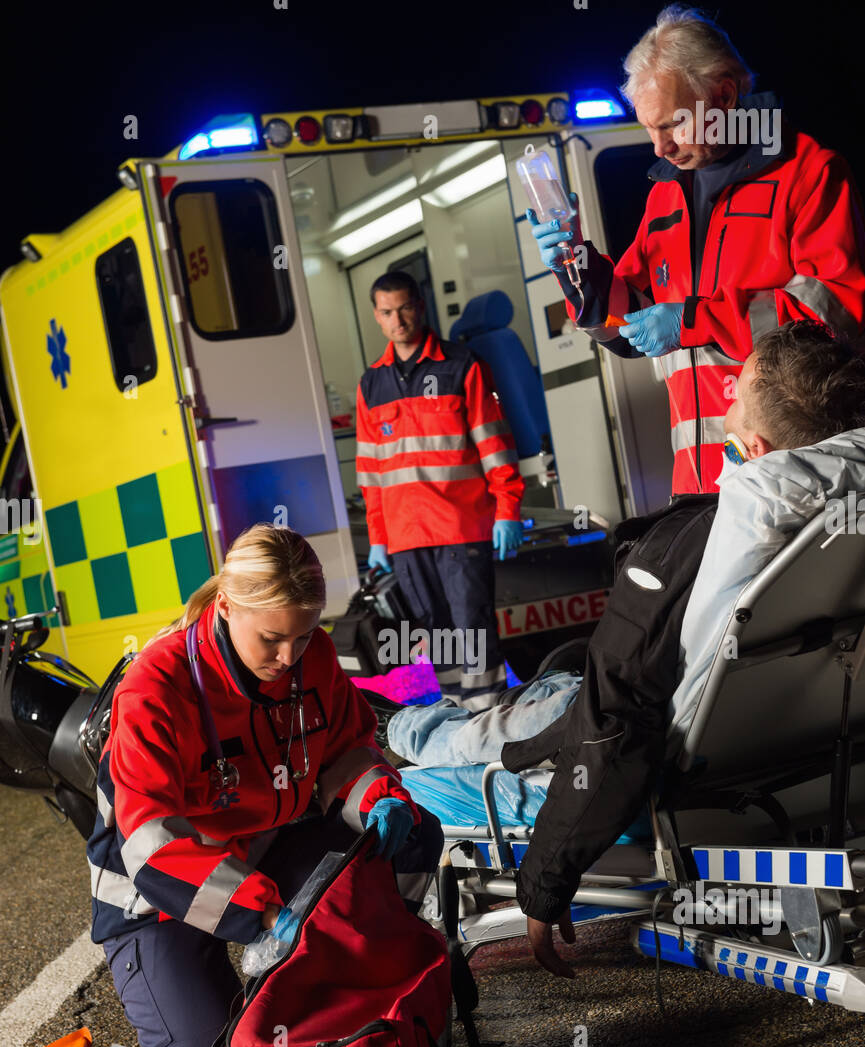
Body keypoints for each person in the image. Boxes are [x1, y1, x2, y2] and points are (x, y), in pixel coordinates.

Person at [512, 321, 865, 975]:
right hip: (813, 749)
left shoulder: (690, 544)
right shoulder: (843, 527)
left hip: (612, 738)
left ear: (750, 446)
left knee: (434, 736)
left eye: (728, 404)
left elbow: (609, 724)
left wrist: (544, 877)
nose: (720, 414)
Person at [87, 524, 443, 1047]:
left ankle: (360, 972)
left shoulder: (313, 657)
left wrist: (380, 796)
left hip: (263, 856)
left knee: (413, 835)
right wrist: (265, 917)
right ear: (226, 607)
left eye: (304, 636)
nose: (290, 658)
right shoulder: (155, 687)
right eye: (273, 639)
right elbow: (152, 850)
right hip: (155, 897)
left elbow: (348, 752)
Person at [529, 4, 865, 495]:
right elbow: (625, 327)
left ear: (724, 96)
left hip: (794, 475)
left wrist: (693, 321)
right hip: (698, 484)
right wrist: (575, 263)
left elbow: (836, 312)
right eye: (648, 128)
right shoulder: (666, 193)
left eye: (670, 125)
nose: (658, 147)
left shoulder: (808, 173)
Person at [356, 270, 524, 710]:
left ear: (421, 306)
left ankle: (490, 717)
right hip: (406, 538)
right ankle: (458, 714)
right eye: (388, 312)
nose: (399, 320)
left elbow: (494, 445)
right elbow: (371, 473)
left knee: (471, 627)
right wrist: (378, 539)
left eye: (406, 308)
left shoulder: (460, 365)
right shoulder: (371, 384)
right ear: (377, 316)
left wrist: (507, 510)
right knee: (436, 633)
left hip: (460, 527)